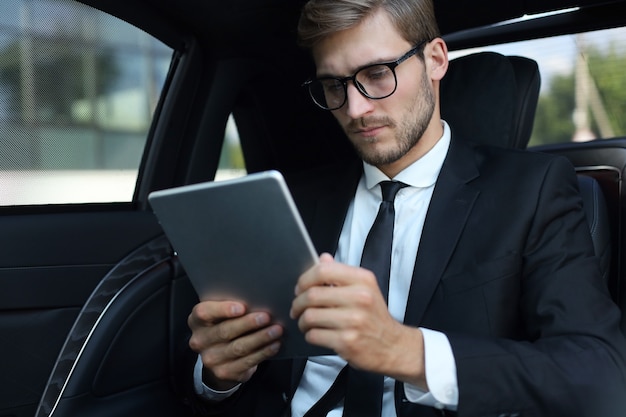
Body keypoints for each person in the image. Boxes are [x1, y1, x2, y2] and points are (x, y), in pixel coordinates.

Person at [185, 0, 626, 415]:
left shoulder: (532, 190)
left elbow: (600, 374)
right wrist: (220, 375)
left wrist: (407, 351)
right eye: (334, 85)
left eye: (377, 73)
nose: (355, 109)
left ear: (435, 60)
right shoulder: (289, 200)